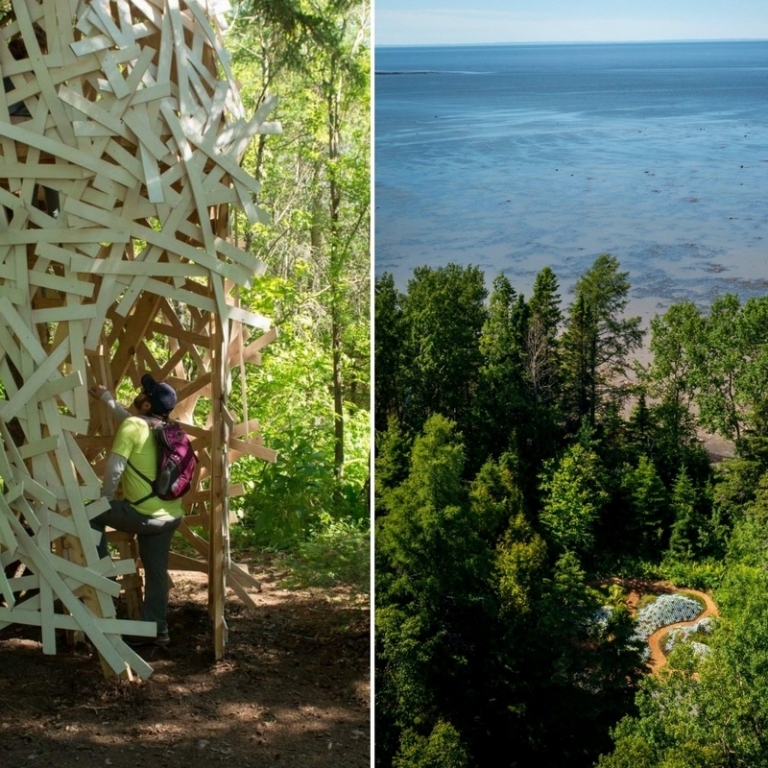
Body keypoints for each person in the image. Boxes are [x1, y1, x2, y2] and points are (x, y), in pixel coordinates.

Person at [89, 374, 183, 647]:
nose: (140, 393)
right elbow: (129, 421)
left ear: (145, 406)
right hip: (170, 516)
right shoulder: (168, 429)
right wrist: (107, 400)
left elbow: (115, 468)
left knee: (89, 515)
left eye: (144, 393)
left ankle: (106, 577)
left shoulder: (134, 426)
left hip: (143, 515)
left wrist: (103, 500)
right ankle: (157, 630)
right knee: (156, 573)